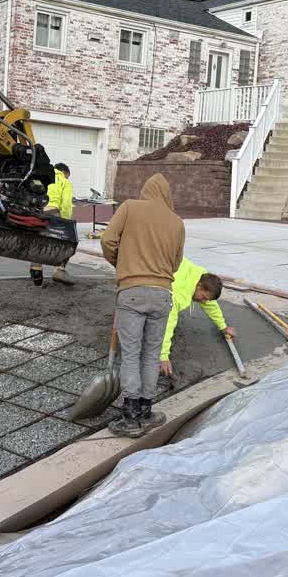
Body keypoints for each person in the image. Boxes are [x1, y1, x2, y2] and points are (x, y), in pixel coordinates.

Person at [100, 173, 185, 438]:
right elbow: (176, 262)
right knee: (151, 354)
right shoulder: (177, 222)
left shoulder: (129, 207)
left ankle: (130, 417)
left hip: (132, 292)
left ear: (145, 190)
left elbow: (107, 240)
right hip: (162, 294)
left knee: (131, 355)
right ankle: (147, 413)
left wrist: (122, 266)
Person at [158, 260, 236, 381]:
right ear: (199, 286)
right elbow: (167, 323)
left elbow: (211, 304)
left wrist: (223, 326)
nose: (204, 301)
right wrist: (163, 356)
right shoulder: (177, 293)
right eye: (203, 297)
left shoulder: (201, 276)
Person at [30, 162, 77, 287]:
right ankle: (59, 271)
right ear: (65, 172)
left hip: (38, 211)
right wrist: (66, 220)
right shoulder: (65, 182)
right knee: (61, 242)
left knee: (39, 240)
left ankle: (36, 272)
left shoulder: (43, 177)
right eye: (68, 176)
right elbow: (66, 204)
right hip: (54, 212)